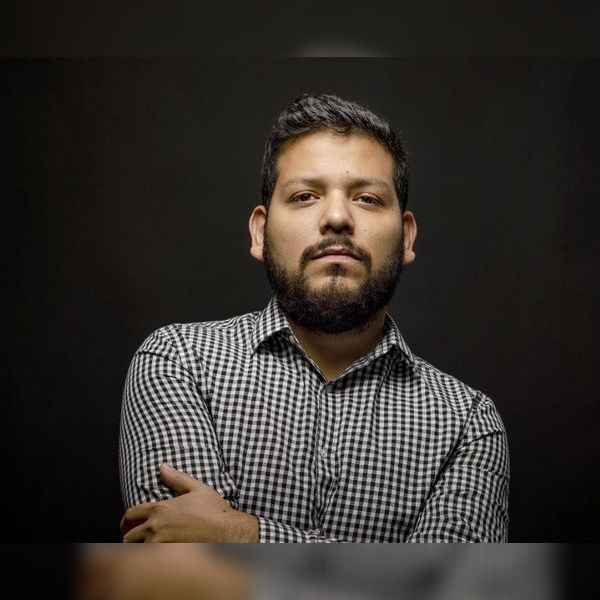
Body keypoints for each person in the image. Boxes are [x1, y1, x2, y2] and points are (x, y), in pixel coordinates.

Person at [119, 93, 509, 543]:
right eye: (305, 196)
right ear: (260, 232)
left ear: (406, 238)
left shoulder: (468, 425)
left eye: (367, 198)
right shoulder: (177, 362)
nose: (337, 217)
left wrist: (238, 533)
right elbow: (184, 573)